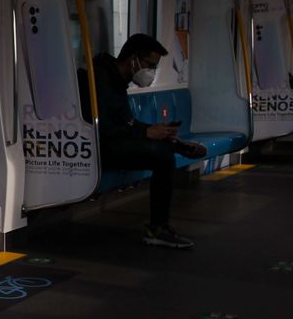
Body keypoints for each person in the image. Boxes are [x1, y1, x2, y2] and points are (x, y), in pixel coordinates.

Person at [84, 34, 206, 249]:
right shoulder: (100, 80)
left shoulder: (117, 80)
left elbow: (127, 123)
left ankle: (177, 145)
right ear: (133, 59)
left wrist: (153, 130)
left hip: (113, 143)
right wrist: (145, 134)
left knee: (164, 150)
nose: (151, 71)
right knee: (163, 157)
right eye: (150, 65)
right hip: (98, 149)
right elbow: (101, 128)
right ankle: (158, 228)